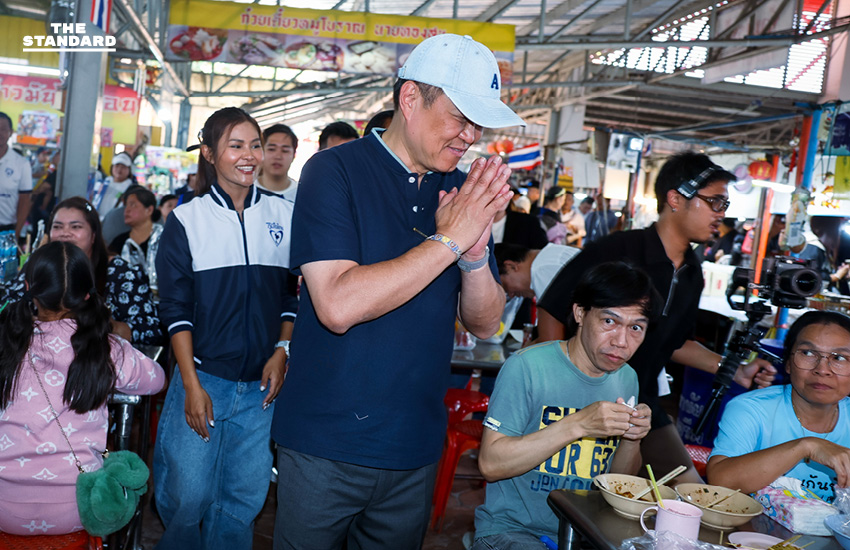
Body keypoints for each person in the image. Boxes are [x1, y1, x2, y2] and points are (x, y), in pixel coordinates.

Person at [271, 33, 525, 550]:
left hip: (414, 447)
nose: (470, 136)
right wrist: (448, 239)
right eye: (460, 117)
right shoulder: (333, 171)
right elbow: (337, 305)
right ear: (411, 99)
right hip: (325, 444)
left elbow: (485, 323)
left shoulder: (461, 191)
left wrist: (474, 255)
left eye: (478, 123)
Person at [537, 151, 776, 483]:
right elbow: (552, 309)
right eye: (714, 202)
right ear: (675, 199)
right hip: (580, 397)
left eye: (725, 204)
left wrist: (735, 370)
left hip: (640, 404)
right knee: (573, 489)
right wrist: (557, 386)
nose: (721, 213)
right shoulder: (617, 250)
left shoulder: (692, 273)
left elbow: (675, 343)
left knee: (690, 489)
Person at [154, 107, 297, 549]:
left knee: (242, 502)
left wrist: (282, 351)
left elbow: (292, 296)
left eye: (255, 145)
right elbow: (175, 310)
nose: (249, 155)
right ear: (209, 153)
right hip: (204, 379)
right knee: (187, 497)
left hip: (260, 389)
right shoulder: (186, 220)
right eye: (236, 145)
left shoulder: (284, 215)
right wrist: (191, 385)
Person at [472, 262, 659, 548]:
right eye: (609, 322)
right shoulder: (527, 367)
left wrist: (632, 438)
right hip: (514, 531)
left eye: (636, 328)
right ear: (580, 313)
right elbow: (490, 465)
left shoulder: (627, 378)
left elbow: (617, 482)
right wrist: (578, 424)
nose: (622, 342)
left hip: (586, 530)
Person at [0, 241, 165, 535]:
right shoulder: (105, 348)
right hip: (79, 508)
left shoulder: (6, 342)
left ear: (28, 288)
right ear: (88, 293)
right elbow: (157, 380)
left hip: (4, 509)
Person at [707, 311, 850, 502]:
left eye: (839, 358)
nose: (822, 370)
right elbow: (719, 481)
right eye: (807, 353)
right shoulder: (751, 409)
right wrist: (807, 446)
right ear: (788, 363)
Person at [2, 197, 163, 346]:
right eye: (57, 227)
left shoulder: (119, 272)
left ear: (93, 235)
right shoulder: (38, 265)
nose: (65, 233)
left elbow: (150, 330)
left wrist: (103, 325)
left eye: (76, 226)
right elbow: (7, 307)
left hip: (99, 360)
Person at [108, 186, 163, 296]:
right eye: (126, 205)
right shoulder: (119, 242)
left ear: (149, 210)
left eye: (133, 205)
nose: (127, 210)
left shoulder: (164, 239)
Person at [494, 242, 579, 301]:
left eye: (505, 287)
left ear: (511, 266)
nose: (511, 295)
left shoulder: (541, 270)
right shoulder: (550, 255)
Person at [0, 111, 32, 235]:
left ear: (10, 132)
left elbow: (25, 201)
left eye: (3, 129)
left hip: (5, 230)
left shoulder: (22, 164)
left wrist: (16, 233)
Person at [257, 123, 299, 201]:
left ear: (294, 155)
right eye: (271, 149)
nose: (278, 156)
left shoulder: (300, 194)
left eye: (285, 151)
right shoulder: (247, 191)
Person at [95, 152, 135, 217]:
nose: (119, 169)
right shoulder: (104, 183)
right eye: (117, 165)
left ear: (129, 170)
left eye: (123, 167)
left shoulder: (131, 189)